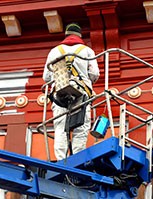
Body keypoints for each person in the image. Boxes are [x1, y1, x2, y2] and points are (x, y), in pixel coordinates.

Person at [43, 23, 100, 160]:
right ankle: (78, 159)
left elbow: (46, 77)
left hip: (60, 92)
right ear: (80, 36)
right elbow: (94, 74)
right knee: (81, 127)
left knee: (60, 126)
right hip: (82, 92)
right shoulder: (87, 51)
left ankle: (61, 159)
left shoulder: (55, 51)